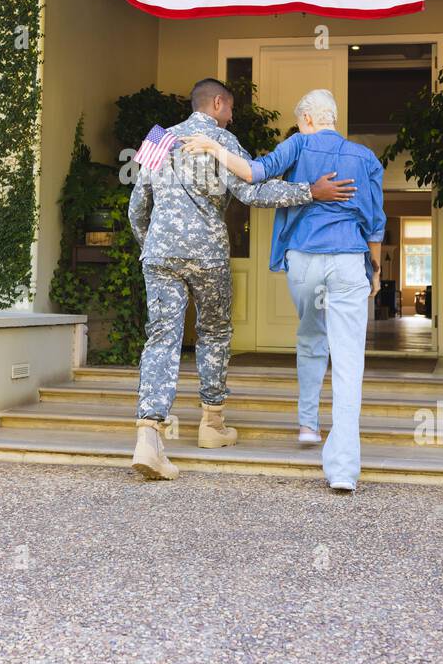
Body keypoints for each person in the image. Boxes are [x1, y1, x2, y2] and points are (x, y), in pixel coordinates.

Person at [127, 78, 356, 482]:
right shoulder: (222, 142)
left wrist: (153, 245)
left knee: (161, 336)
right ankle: (211, 424)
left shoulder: (157, 138)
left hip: (159, 253)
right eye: (230, 109)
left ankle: (149, 437)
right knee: (214, 333)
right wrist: (310, 192)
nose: (231, 118)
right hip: (208, 255)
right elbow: (254, 193)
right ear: (217, 103)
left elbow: (136, 206)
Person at [182, 87, 385, 493]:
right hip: (348, 260)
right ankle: (343, 469)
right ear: (331, 117)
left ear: (307, 120)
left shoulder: (297, 143)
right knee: (348, 360)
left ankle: (308, 423)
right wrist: (374, 271)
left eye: (299, 122)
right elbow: (374, 221)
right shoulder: (365, 158)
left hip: (305, 261)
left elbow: (254, 173)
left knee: (312, 334)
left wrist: (212, 147)